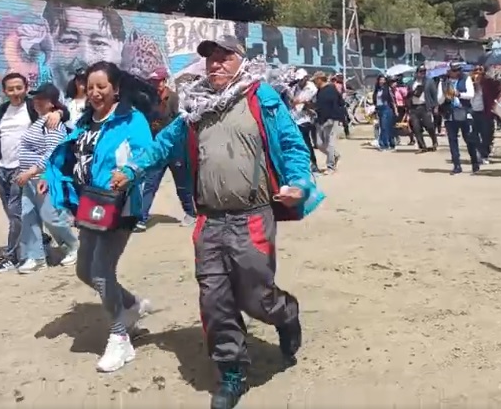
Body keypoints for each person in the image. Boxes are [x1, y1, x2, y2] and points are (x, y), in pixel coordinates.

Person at [110, 34, 318, 409]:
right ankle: (232, 370)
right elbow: (161, 146)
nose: (216, 64)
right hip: (209, 219)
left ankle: (286, 315)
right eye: (210, 59)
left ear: (240, 60)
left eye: (224, 57)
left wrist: (300, 183)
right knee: (214, 298)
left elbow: (291, 143)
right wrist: (132, 168)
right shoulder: (194, 108)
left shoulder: (260, 97)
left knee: (256, 297)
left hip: (252, 216)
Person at [42, 61, 155, 372]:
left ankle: (120, 339)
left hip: (119, 206)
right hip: (90, 204)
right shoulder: (86, 121)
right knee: (84, 271)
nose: (94, 92)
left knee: (102, 270)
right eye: (90, 87)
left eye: (101, 87)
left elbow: (148, 153)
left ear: (116, 89)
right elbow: (74, 156)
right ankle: (132, 305)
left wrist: (130, 170)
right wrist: (50, 175)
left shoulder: (131, 120)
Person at [0, 73, 64, 273]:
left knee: (17, 215)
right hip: (3, 168)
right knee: (13, 213)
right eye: (10, 89)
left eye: (19, 88)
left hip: (23, 170)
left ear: (25, 88)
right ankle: (40, 239)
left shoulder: (33, 107)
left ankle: (12, 256)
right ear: (4, 91)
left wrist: (59, 113)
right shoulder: (1, 111)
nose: (15, 93)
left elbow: (60, 112)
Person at [14, 83, 78, 274]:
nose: (36, 102)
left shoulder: (52, 122)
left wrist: (31, 171)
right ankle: (35, 256)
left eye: (41, 99)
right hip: (29, 179)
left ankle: (72, 246)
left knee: (50, 216)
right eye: (35, 99)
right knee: (28, 217)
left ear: (51, 103)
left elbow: (52, 152)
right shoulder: (41, 120)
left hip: (43, 178)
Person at [138, 67, 196, 230]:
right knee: (150, 182)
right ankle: (142, 217)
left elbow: (181, 122)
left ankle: (190, 213)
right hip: (157, 149)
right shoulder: (147, 100)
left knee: (182, 183)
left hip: (175, 148)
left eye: (159, 81)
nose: (156, 85)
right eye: (153, 82)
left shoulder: (174, 98)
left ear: (164, 81)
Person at [437, 62, 479, 174]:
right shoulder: (443, 81)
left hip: (464, 112)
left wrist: (458, 94)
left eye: (458, 70)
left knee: (469, 139)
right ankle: (456, 165)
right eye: (454, 70)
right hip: (450, 113)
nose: (457, 72)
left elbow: (471, 94)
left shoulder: (466, 79)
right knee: (452, 140)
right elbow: (439, 100)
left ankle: (474, 162)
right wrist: (445, 95)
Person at [288, 69, 320, 172]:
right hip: (294, 117)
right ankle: (301, 163)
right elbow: (293, 101)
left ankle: (313, 163)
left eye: (301, 80)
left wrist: (299, 102)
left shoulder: (311, 88)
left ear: (306, 78)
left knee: (306, 142)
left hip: (305, 119)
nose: (300, 82)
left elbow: (303, 102)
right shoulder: (295, 87)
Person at [313, 71, 345, 172]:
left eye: (315, 80)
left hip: (331, 119)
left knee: (330, 143)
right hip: (320, 119)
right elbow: (319, 105)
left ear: (320, 79)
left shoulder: (331, 89)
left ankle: (330, 166)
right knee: (319, 144)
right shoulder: (319, 91)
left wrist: (337, 117)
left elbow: (340, 103)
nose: (314, 82)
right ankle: (335, 155)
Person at [470, 65, 500, 163]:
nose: (478, 72)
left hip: (485, 113)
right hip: (472, 112)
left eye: (480, 70)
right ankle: (478, 153)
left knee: (486, 135)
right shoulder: (468, 82)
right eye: (476, 70)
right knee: (473, 135)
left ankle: (485, 154)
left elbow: (498, 90)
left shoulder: (488, 82)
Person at [408, 67, 438, 152]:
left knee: (429, 125)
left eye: (424, 72)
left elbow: (434, 94)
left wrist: (435, 106)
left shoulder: (429, 82)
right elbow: (407, 95)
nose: (422, 73)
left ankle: (434, 141)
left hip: (425, 106)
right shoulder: (411, 83)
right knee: (416, 127)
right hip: (414, 107)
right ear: (416, 73)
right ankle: (422, 146)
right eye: (421, 72)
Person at [372, 74, 397, 151]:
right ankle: (389, 143)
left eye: (383, 80)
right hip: (379, 109)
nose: (382, 81)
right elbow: (375, 101)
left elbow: (392, 101)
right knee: (383, 127)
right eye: (380, 80)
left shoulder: (387, 89)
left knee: (385, 127)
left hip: (386, 108)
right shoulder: (377, 90)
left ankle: (385, 144)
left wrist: (395, 110)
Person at [332, 74, 351, 138]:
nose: (340, 78)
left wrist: (344, 97)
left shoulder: (343, 84)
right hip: (335, 102)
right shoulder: (333, 84)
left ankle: (347, 132)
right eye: (339, 77)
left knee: (344, 119)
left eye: (341, 77)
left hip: (341, 102)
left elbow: (345, 92)